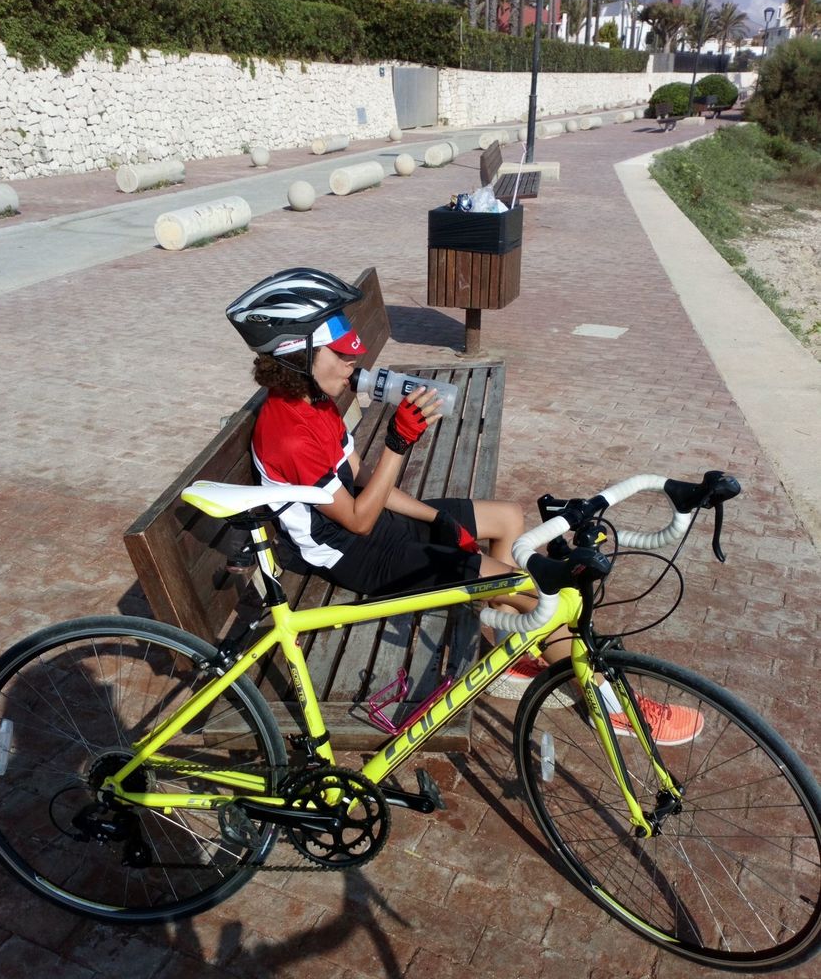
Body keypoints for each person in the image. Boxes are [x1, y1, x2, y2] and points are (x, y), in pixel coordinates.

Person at [226, 268, 702, 740]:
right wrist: (398, 442)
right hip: (354, 555)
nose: (355, 361)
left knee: (508, 517)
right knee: (538, 592)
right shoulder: (289, 434)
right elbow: (359, 520)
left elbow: (367, 481)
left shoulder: (315, 401)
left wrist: (437, 517)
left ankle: (509, 652)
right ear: (296, 355)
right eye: (340, 354)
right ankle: (615, 710)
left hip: (375, 522)